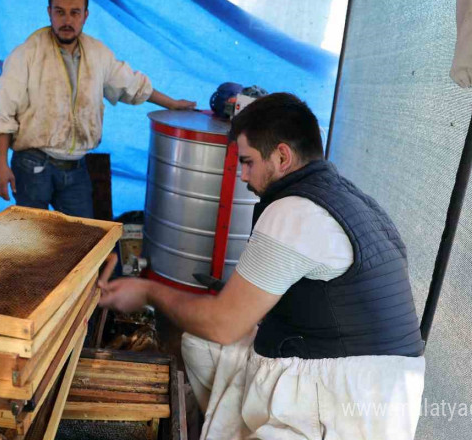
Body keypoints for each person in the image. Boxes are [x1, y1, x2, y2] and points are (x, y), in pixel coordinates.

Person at [98, 93, 426, 439]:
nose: (242, 175)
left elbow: (224, 324)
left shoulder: (296, 211)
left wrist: (149, 290)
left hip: (348, 396)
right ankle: (202, 426)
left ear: (282, 156)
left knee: (214, 333)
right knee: (199, 342)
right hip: (379, 381)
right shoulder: (354, 200)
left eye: (248, 161)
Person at [0, 0, 195, 218]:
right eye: (60, 12)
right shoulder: (26, 54)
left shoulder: (98, 54)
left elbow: (131, 85)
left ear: (85, 15)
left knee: (81, 240)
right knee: (35, 242)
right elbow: (1, 112)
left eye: (75, 13)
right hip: (33, 165)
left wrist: (171, 104)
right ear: (49, 13)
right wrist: (1, 165)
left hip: (75, 167)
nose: (67, 20)